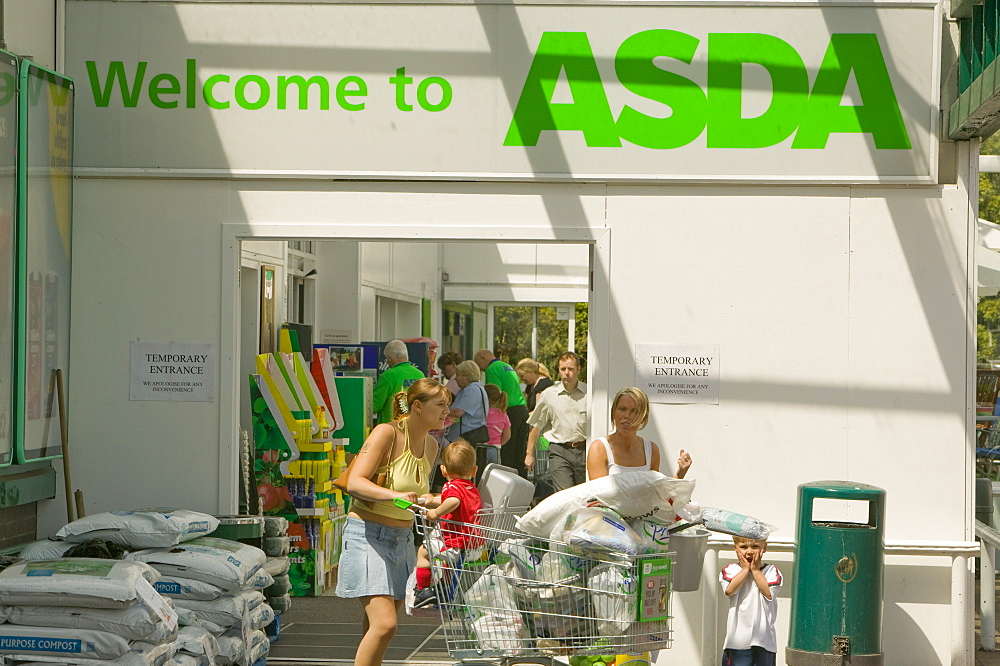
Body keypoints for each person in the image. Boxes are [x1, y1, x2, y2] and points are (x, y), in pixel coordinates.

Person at [336, 378, 449, 666]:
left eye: (447, 404)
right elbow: (355, 483)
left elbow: (415, 497)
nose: (447, 410)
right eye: (440, 405)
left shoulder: (432, 445)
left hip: (402, 541)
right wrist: (394, 495)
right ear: (418, 407)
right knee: (385, 624)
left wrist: (436, 501)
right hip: (368, 535)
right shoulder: (386, 433)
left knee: (378, 628)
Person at [412, 439, 482, 608]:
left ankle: (422, 590)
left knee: (423, 551)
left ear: (443, 470)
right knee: (448, 563)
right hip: (473, 545)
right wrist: (432, 499)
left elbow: (453, 501)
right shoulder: (470, 487)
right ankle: (443, 587)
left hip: (456, 545)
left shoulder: (451, 486)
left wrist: (436, 512)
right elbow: (451, 499)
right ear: (474, 470)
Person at [587, 387, 692, 480]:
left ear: (643, 417)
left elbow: (657, 494)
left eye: (634, 411)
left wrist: (679, 474)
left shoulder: (651, 450)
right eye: (622, 409)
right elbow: (600, 497)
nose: (627, 416)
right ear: (613, 412)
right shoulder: (599, 449)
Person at [525, 351, 588, 491]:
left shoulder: (589, 393)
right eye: (563, 369)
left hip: (585, 450)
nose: (567, 373)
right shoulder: (549, 394)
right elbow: (536, 424)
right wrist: (529, 454)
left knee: (584, 496)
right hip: (559, 451)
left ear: (578, 369)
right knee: (564, 496)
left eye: (570, 369)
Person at [720, 536, 783, 666]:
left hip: (764, 641)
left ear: (764, 548)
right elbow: (729, 590)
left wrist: (754, 570)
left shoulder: (771, 571)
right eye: (743, 547)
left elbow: (769, 593)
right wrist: (745, 570)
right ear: (735, 548)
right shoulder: (731, 570)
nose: (749, 552)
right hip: (737, 640)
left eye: (755, 547)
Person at [474, 349, 529, 477]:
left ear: (483, 358)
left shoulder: (492, 369)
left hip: (509, 411)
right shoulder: (507, 366)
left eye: (479, 365)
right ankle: (521, 483)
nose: (481, 369)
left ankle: (506, 484)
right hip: (521, 409)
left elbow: (493, 393)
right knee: (519, 452)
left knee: (507, 454)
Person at [372, 340, 425, 424]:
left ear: (389, 359)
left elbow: (374, 405)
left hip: (393, 429)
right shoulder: (420, 374)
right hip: (414, 427)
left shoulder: (388, 376)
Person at [446, 360, 488, 445]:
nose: (455, 378)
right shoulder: (474, 389)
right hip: (465, 436)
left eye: (458, 375)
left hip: (466, 437)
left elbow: (458, 412)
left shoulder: (472, 390)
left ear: (466, 376)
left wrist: (439, 411)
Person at [482, 383, 511, 472]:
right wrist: (498, 443)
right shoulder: (503, 413)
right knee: (495, 474)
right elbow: (507, 435)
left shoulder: (482, 413)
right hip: (496, 448)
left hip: (481, 447)